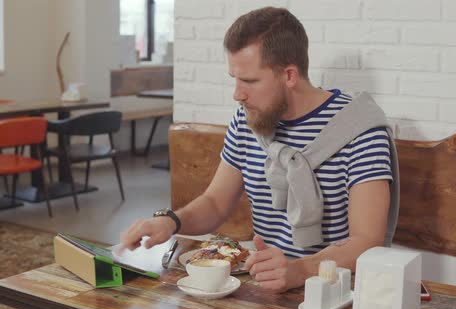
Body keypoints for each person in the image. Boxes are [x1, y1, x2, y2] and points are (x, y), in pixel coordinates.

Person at [120, 6, 398, 293]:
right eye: (234, 79)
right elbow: (216, 202)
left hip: (333, 291)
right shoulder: (247, 120)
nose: (237, 94)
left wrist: (299, 269)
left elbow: (367, 240)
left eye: (249, 81)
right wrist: (171, 221)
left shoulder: (361, 131)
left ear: (289, 75)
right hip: (263, 285)